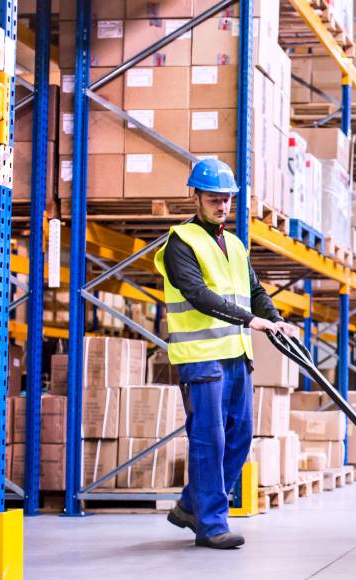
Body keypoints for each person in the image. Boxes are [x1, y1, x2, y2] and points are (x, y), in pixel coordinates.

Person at [152, 158, 299, 549]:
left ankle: (189, 506)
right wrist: (251, 321)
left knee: (240, 435)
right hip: (200, 357)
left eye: (228, 201)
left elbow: (254, 291)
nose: (222, 207)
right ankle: (212, 525)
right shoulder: (179, 243)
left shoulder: (233, 244)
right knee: (209, 439)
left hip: (236, 354)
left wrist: (275, 319)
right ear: (195, 196)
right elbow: (198, 295)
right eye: (215, 200)